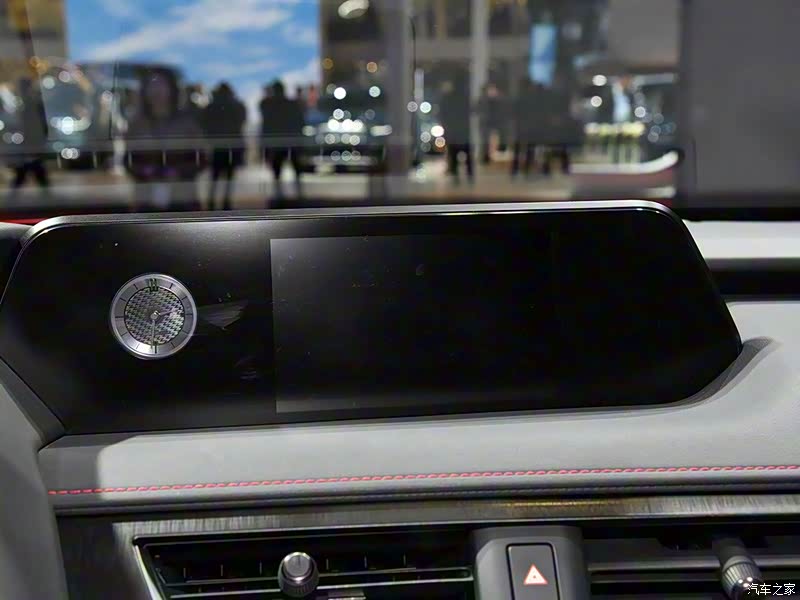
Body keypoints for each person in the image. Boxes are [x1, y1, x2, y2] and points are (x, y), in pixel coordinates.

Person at [125, 68, 205, 211]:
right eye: (152, 85)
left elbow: (201, 158)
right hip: (147, 199)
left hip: (181, 199)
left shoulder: (186, 123)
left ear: (171, 89)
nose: (157, 90)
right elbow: (128, 160)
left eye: (161, 84)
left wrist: (178, 172)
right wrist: (145, 172)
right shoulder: (137, 124)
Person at [201, 82, 246, 210]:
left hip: (217, 147)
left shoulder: (212, 106)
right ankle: (226, 203)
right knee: (229, 178)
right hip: (232, 147)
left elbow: (204, 124)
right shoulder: (237, 105)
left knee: (215, 177)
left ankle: (211, 203)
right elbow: (241, 121)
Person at [259, 80, 305, 201]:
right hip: (290, 141)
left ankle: (280, 196)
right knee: (295, 170)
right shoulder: (291, 104)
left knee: (278, 172)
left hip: (277, 143)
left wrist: (264, 146)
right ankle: (298, 195)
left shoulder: (269, 105)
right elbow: (300, 123)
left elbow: (266, 126)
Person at [9, 78, 50, 195]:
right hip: (32, 141)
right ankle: (45, 191)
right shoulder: (32, 102)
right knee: (32, 167)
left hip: (31, 140)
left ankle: (16, 191)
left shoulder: (28, 103)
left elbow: (30, 124)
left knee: (28, 167)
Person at [439, 73, 473, 184]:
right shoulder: (465, 97)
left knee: (453, 154)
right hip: (463, 129)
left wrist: (445, 126)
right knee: (467, 154)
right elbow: (470, 112)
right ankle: (470, 176)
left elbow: (443, 113)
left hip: (453, 129)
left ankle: (455, 177)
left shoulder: (449, 97)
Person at [511, 79, 541, 177]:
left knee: (518, 149)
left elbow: (514, 113)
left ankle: (515, 169)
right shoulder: (533, 99)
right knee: (529, 149)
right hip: (530, 126)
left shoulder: (519, 99)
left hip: (521, 126)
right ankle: (526, 169)